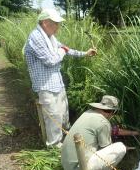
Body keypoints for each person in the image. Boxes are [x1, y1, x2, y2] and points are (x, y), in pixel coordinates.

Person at [24, 8, 97, 147]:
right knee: (53, 117)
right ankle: (54, 145)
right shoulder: (36, 37)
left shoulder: (50, 37)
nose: (58, 27)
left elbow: (65, 49)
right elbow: (51, 60)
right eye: (56, 23)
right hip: (45, 86)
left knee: (63, 114)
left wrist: (85, 53)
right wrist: (62, 50)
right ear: (45, 22)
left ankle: (66, 141)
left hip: (56, 82)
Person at [61, 95, 139, 170]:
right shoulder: (104, 123)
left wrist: (133, 133)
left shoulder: (87, 113)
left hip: (68, 167)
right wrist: (126, 148)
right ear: (112, 112)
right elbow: (107, 148)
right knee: (120, 147)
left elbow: (112, 130)